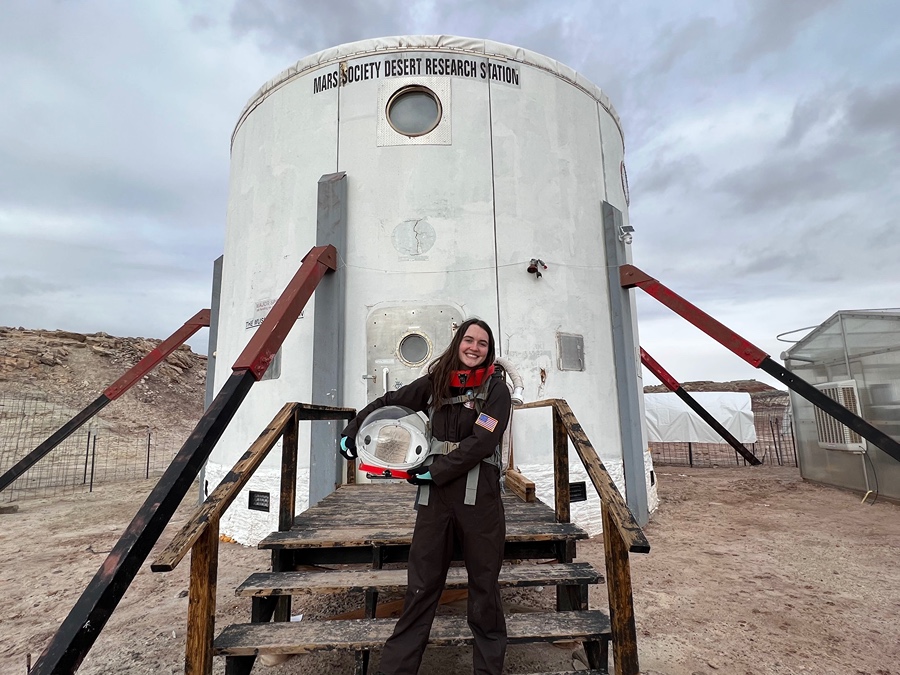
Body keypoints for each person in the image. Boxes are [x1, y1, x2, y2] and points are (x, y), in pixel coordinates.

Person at [339, 318, 512, 675]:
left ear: (488, 351)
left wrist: (437, 470)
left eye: (482, 343)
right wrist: (353, 429)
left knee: (484, 587)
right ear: (457, 343)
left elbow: (482, 443)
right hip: (435, 499)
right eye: (469, 340)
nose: (474, 347)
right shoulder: (436, 382)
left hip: (480, 498)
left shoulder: (497, 391)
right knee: (421, 586)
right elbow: (391, 400)